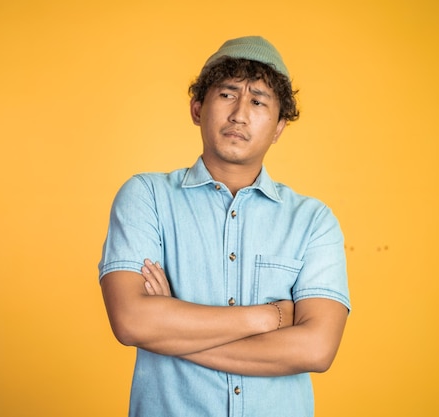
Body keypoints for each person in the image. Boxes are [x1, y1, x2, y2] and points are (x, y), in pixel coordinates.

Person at [98, 35, 351, 417]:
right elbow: (132, 321)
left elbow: (316, 349)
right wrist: (270, 317)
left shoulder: (313, 221)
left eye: (258, 101)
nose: (239, 114)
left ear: (280, 126)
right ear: (197, 108)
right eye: (227, 95)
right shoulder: (145, 196)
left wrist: (170, 329)